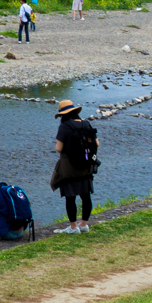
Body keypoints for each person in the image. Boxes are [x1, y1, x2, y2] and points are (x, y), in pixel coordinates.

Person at [50, 99, 97, 234]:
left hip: (70, 168)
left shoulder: (64, 127)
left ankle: (73, 227)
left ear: (62, 115)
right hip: (87, 165)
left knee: (70, 197)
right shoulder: (86, 124)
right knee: (86, 196)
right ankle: (84, 224)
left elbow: (59, 148)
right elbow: (96, 143)